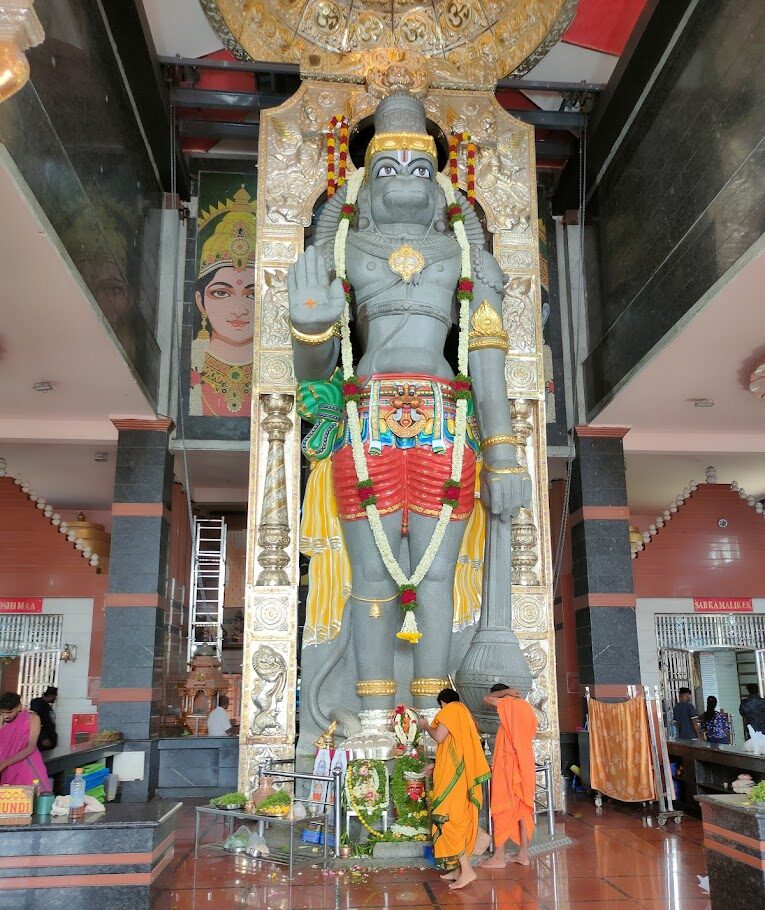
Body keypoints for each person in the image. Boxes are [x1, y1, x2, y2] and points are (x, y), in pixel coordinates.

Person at [190, 186, 256, 417]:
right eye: (221, 293)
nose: (239, 310)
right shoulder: (192, 377)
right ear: (200, 302)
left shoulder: (278, 376)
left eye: (252, 295)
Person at [418, 688, 490, 890]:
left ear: (442, 702)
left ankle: (467, 871)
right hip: (460, 777)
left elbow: (440, 737)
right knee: (459, 820)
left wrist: (425, 726)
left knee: (448, 822)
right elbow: (451, 748)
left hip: (453, 782)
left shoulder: (450, 710)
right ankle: (458, 869)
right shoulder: (465, 714)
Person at [481, 683, 537, 868]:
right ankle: (523, 855)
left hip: (510, 767)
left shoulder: (511, 705)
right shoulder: (526, 708)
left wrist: (506, 692)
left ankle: (498, 857)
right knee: (522, 808)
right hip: (525, 764)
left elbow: (487, 699)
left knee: (502, 807)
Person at [0, 692, 51, 788]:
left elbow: (31, 747)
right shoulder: (1, 720)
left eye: (9, 712)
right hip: (6, 769)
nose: (5, 716)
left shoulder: (32, 718)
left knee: (34, 796)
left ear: (19, 707)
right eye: (2, 712)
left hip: (28, 764)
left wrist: (5, 763)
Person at [30, 686, 58, 752]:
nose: (56, 699)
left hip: (48, 735)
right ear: (51, 696)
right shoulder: (37, 703)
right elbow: (35, 721)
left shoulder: (46, 705)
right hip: (43, 737)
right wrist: (42, 737)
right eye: (55, 696)